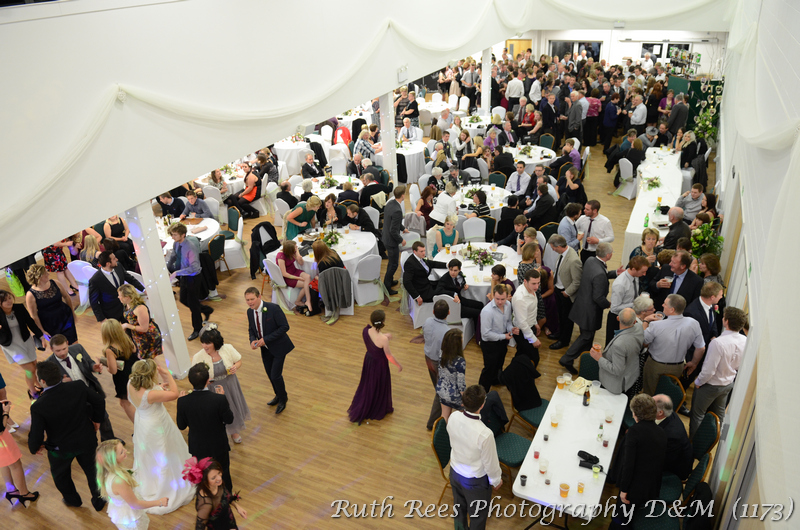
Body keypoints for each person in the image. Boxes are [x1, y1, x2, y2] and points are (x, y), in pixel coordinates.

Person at [28, 360, 107, 511]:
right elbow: (98, 401)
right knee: (93, 470)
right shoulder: (77, 386)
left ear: (42, 381)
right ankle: (99, 500)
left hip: (60, 449)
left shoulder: (39, 406)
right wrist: (97, 420)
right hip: (86, 439)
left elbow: (37, 432)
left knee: (61, 476)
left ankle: (73, 500)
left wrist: (34, 447)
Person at [127, 359, 196, 514]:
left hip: (142, 422)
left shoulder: (131, 382)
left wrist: (158, 388)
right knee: (163, 453)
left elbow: (150, 393)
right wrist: (167, 375)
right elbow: (174, 393)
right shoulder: (150, 395)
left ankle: (151, 480)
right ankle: (166, 484)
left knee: (150, 453)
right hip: (156, 426)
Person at [447, 385, 502, 530]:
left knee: (459, 509)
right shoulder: (485, 434)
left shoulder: (453, 417)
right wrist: (496, 480)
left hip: (454, 472)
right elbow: (490, 463)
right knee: (478, 516)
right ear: (482, 405)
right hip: (474, 481)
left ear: (463, 401)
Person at [610, 394, 667, 529]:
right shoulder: (661, 432)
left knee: (621, 520)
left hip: (634, 488)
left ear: (636, 414)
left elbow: (628, 465)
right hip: (651, 485)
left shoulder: (634, 432)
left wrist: (624, 490)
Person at [561, 243, 619, 374]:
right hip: (590, 311)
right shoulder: (598, 272)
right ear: (608, 255)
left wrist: (615, 273)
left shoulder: (591, 260)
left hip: (581, 305)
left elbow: (599, 275)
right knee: (586, 336)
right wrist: (609, 304)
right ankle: (567, 358)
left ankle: (586, 358)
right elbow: (598, 297)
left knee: (586, 336)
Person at [47, 333, 117, 441]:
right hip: (74, 400)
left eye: (64, 349)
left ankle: (109, 441)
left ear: (67, 343)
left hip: (90, 390)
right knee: (86, 425)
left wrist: (94, 367)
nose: (62, 353)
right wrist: (61, 383)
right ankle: (92, 446)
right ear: (51, 349)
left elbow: (89, 363)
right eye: (58, 351)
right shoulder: (49, 364)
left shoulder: (77, 348)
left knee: (103, 417)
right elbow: (50, 388)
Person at [689, 306, 747, 437]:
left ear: (726, 321)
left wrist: (698, 382)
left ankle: (693, 445)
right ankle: (719, 441)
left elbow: (709, 370)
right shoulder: (745, 340)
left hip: (711, 385)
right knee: (720, 416)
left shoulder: (718, 343)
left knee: (697, 415)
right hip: (728, 383)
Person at [177, 363, 235, 491]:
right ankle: (226, 495)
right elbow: (229, 419)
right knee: (223, 470)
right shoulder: (218, 399)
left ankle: (207, 495)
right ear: (208, 381)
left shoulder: (183, 402)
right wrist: (223, 397)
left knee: (203, 473)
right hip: (218, 444)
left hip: (198, 446)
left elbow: (181, 426)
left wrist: (180, 404)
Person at [192, 327, 250, 445]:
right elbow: (194, 375)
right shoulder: (198, 357)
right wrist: (204, 382)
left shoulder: (227, 348)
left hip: (230, 384)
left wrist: (236, 367)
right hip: (212, 389)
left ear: (216, 342)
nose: (204, 346)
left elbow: (238, 360)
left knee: (231, 409)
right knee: (216, 413)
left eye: (208, 343)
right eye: (202, 342)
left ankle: (234, 432)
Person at [95, 439, 168, 529]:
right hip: (129, 517)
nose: (126, 451)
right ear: (113, 460)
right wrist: (159, 502)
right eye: (121, 452)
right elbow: (135, 504)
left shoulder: (106, 471)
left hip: (120, 508)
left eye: (123, 448)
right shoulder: (119, 481)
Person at [642, 294, 706, 395]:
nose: (662, 305)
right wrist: (694, 363)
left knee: (650, 395)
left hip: (655, 366)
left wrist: (645, 322)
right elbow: (701, 348)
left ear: (672, 310)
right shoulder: (694, 323)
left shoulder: (656, 325)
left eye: (665, 304)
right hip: (678, 367)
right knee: (667, 395)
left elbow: (644, 342)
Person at [348, 310, 403, 424]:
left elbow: (375, 338)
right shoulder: (383, 340)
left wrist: (385, 335)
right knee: (378, 385)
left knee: (368, 384)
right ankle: (377, 406)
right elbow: (389, 355)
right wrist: (398, 365)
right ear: (383, 322)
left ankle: (368, 403)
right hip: (379, 365)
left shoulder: (365, 331)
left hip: (369, 361)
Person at [245, 287, 293, 413]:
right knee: (270, 375)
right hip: (265, 349)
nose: (250, 302)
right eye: (247, 300)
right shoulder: (250, 312)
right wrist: (252, 340)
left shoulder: (273, 309)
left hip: (278, 347)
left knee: (275, 375)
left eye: (252, 299)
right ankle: (278, 395)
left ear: (259, 297)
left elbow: (284, 327)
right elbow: (251, 328)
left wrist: (266, 339)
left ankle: (283, 399)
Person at [167, 223, 213, 341]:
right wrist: (167, 268)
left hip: (193, 278)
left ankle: (197, 329)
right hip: (184, 276)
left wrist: (176, 273)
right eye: (172, 234)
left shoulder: (190, 247)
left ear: (183, 235)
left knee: (193, 305)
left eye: (175, 235)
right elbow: (173, 256)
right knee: (183, 299)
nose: (173, 237)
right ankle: (206, 309)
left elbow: (194, 268)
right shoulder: (176, 243)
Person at [0, 289, 44, 399]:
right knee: (30, 369)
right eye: (5, 300)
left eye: (9, 298)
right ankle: (33, 392)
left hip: (25, 340)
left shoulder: (19, 308)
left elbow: (30, 322)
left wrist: (41, 335)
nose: (9, 301)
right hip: (11, 346)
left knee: (34, 364)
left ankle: (37, 384)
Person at [591, 308, 644, 398]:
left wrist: (599, 358)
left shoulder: (619, 344)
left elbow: (617, 370)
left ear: (618, 318)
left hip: (616, 385)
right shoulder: (639, 327)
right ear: (634, 322)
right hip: (631, 375)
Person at [26, 263, 77, 345]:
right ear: (39, 277)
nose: (48, 274)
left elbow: (67, 297)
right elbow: (34, 316)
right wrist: (42, 331)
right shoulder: (30, 295)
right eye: (45, 273)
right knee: (59, 346)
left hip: (65, 317)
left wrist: (72, 313)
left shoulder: (55, 283)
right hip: (49, 324)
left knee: (74, 342)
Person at [548, 234, 583, 350]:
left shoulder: (573, 260)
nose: (552, 249)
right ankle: (560, 334)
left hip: (566, 294)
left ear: (558, 246)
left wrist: (567, 292)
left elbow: (577, 282)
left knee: (566, 319)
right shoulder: (563, 254)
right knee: (560, 315)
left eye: (553, 247)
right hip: (558, 289)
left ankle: (564, 340)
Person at [0, 399, 38, 507]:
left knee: (5, 463)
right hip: (3, 442)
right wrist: (6, 412)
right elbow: (1, 428)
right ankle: (24, 493)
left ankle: (11, 489)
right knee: (15, 465)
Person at [100, 319, 139, 423]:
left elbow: (113, 370)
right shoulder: (127, 339)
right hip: (135, 370)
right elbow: (134, 351)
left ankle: (139, 426)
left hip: (123, 378)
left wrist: (106, 365)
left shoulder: (110, 349)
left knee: (125, 403)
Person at [190, 457, 247, 529]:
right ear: (204, 481)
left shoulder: (217, 484)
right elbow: (199, 527)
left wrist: (237, 507)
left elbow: (226, 496)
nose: (219, 478)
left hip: (229, 523)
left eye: (219, 473)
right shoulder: (206, 504)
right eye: (213, 477)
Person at [479, 285, 517, 391]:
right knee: (489, 369)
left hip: (502, 341)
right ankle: (482, 393)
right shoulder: (487, 311)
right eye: (497, 299)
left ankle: (495, 380)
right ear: (493, 296)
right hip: (489, 344)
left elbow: (508, 321)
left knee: (499, 363)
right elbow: (485, 334)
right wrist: (504, 336)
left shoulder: (508, 305)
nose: (500, 302)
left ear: (508, 297)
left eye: (503, 299)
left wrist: (511, 329)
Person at [89, 251, 144, 323]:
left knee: (130, 332)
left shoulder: (118, 266)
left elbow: (130, 279)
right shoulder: (95, 280)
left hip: (126, 308)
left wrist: (143, 289)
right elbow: (94, 302)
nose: (117, 259)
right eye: (114, 259)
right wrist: (102, 319)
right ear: (108, 264)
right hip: (110, 313)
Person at [606, 256, 650, 346]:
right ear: (633, 269)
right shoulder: (620, 284)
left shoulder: (635, 276)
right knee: (613, 345)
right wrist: (635, 303)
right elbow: (614, 308)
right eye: (643, 272)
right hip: (617, 319)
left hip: (629, 316)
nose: (644, 274)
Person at [118, 284, 164, 368]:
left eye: (120, 296)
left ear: (127, 297)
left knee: (148, 362)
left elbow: (144, 328)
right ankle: (160, 375)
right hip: (139, 337)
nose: (118, 297)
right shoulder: (127, 305)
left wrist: (127, 325)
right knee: (150, 361)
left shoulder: (140, 308)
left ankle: (156, 377)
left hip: (148, 337)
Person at [422, 300, 449, 430]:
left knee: (438, 389)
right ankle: (432, 423)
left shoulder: (427, 322)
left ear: (433, 312)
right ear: (448, 313)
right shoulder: (447, 332)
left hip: (428, 358)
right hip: (438, 362)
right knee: (440, 392)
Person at [653, 394, 693, 481]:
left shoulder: (671, 436)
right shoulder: (666, 413)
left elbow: (662, 461)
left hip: (674, 469)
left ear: (660, 412)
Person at [512, 269, 543, 366]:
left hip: (530, 327)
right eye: (533, 283)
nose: (537, 286)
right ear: (525, 281)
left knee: (521, 354)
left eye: (538, 283)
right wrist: (533, 339)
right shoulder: (520, 298)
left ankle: (514, 375)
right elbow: (522, 323)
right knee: (533, 357)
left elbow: (531, 311)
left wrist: (535, 323)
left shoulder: (531, 289)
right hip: (523, 332)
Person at [403, 241, 448, 306]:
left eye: (424, 251)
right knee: (445, 293)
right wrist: (417, 297)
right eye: (421, 251)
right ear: (415, 252)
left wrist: (447, 265)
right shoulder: (410, 263)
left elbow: (432, 263)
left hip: (427, 284)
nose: (424, 253)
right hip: (422, 291)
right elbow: (406, 282)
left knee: (445, 283)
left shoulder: (421, 258)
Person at [437, 329, 466, 422]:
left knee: (444, 417)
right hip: (455, 395)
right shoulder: (460, 361)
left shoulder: (442, 353)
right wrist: (465, 399)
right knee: (464, 417)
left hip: (442, 389)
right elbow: (461, 384)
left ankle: (442, 434)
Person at [276, 240, 312, 315]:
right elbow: (284, 273)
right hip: (289, 277)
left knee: (308, 277)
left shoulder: (292, 252)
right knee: (307, 284)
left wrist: (298, 254)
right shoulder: (281, 256)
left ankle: (308, 300)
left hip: (294, 271)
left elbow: (301, 263)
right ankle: (298, 301)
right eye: (295, 247)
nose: (297, 248)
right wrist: (298, 278)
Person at [382, 186, 406, 295]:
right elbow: (393, 230)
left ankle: (390, 281)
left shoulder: (390, 203)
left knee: (391, 263)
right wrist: (401, 240)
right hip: (391, 241)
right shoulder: (397, 210)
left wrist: (403, 228)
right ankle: (386, 286)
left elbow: (392, 223)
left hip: (385, 237)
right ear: (402, 195)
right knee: (393, 264)